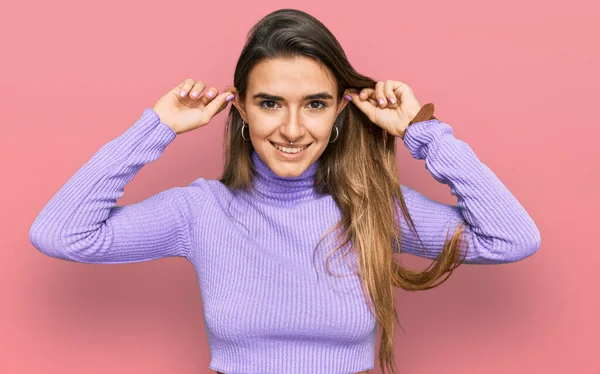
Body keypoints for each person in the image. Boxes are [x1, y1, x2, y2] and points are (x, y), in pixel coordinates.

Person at [28, 8, 541, 374]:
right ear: (241, 110)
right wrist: (156, 127)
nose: (292, 129)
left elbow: (511, 238)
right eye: (271, 103)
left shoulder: (373, 210)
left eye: (314, 104)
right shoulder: (201, 211)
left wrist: (422, 132)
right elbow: (61, 234)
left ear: (340, 110)